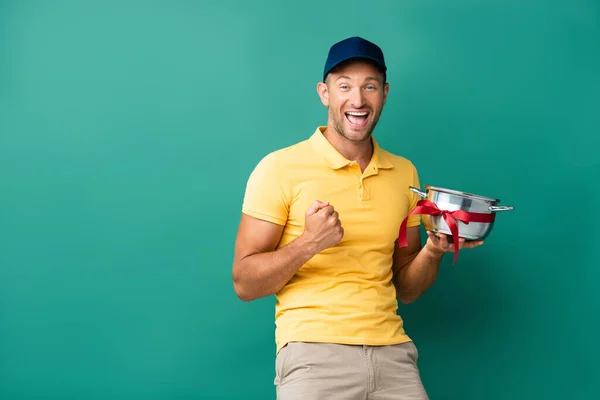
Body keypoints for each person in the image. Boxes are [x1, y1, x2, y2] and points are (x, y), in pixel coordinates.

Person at [232, 36, 484, 400]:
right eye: (344, 86)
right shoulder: (279, 168)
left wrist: (433, 250)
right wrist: (309, 243)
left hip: (393, 355)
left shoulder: (404, 173)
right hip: (313, 355)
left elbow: (407, 288)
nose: (358, 99)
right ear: (324, 93)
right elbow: (244, 283)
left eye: (370, 86)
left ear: (384, 93)